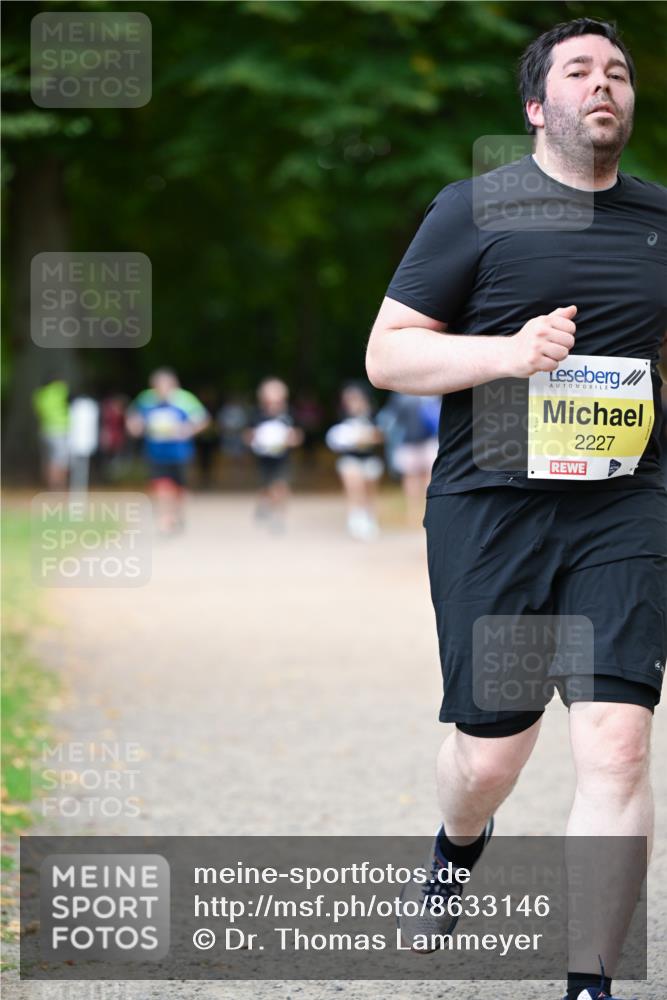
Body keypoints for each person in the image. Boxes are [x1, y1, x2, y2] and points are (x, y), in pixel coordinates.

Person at [366, 19, 666, 1000]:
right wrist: (503, 352)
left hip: (624, 507)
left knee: (617, 740)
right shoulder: (475, 210)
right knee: (491, 752)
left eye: (616, 72)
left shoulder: (660, 220)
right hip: (491, 506)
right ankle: (459, 842)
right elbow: (390, 354)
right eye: (578, 71)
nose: (603, 84)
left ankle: (589, 982)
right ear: (537, 107)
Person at [126, 368, 210, 534]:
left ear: (174, 386)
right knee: (161, 486)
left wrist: (188, 429)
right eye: (159, 386)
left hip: (180, 453)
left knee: (179, 489)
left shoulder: (185, 399)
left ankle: (176, 514)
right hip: (155, 452)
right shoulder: (146, 399)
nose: (162, 390)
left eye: (166, 386)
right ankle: (165, 519)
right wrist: (134, 426)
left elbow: (203, 419)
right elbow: (133, 417)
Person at [325, 381, 384, 540]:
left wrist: (367, 438)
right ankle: (355, 520)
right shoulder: (341, 418)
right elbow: (335, 439)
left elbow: (380, 436)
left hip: (369, 459)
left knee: (369, 491)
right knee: (354, 488)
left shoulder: (373, 416)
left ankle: (369, 519)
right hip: (350, 459)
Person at [244, 376, 304, 533]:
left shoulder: (290, 413)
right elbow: (248, 435)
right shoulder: (256, 414)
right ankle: (264, 503)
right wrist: (257, 439)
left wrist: (290, 440)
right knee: (266, 488)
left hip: (283, 457)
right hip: (264, 458)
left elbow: (298, 435)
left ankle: (279, 518)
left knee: (281, 486)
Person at [377, 392, 439, 526]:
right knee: (419, 477)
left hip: (418, 442)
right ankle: (421, 511)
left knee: (420, 477)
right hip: (415, 443)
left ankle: (419, 511)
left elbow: (389, 419)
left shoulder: (402, 395)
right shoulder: (429, 394)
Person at [32, 376, 70, 489]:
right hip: (59, 429)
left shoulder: (39, 395)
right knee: (59, 459)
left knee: (47, 459)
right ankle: (58, 486)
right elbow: (66, 389)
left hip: (44, 430)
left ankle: (48, 484)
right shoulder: (59, 391)